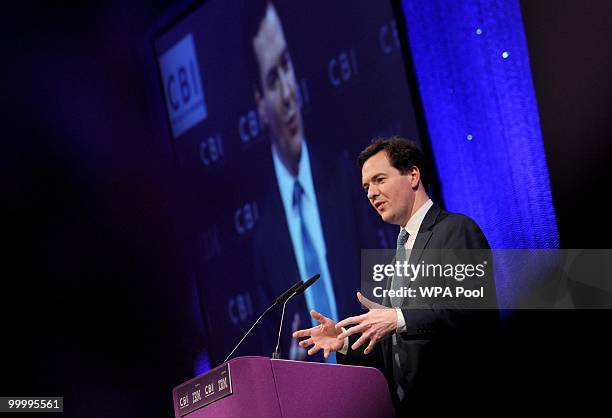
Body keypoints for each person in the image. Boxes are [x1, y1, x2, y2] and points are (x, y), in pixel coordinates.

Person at [293, 137, 499, 414]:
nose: (371, 193)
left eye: (379, 180)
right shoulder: (399, 253)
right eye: (366, 186)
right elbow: (401, 344)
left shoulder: (455, 230)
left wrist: (398, 317)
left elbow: (475, 312)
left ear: (413, 175)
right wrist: (343, 342)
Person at [247, 0, 378, 362]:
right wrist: (287, 365)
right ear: (259, 105)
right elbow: (270, 351)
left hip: (377, 373)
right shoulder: (264, 237)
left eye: (286, 66)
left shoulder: (344, 179)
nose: (288, 94)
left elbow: (383, 282)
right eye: (273, 81)